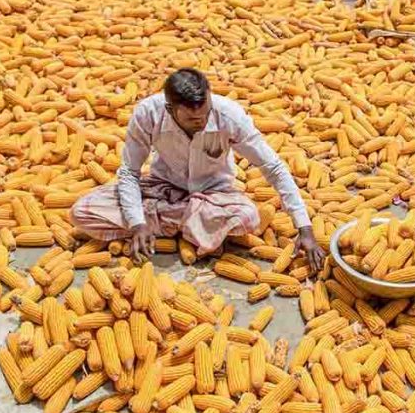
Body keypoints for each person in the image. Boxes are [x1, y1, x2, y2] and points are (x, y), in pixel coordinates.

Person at [70, 68, 325, 270]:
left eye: (205, 115)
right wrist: (137, 223)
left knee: (248, 217)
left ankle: (163, 222)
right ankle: (185, 225)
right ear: (171, 110)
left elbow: (274, 168)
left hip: (214, 194)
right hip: (163, 187)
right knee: (82, 211)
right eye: (193, 120)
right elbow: (129, 173)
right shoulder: (148, 114)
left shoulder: (229, 117)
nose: (202, 122)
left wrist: (305, 228)